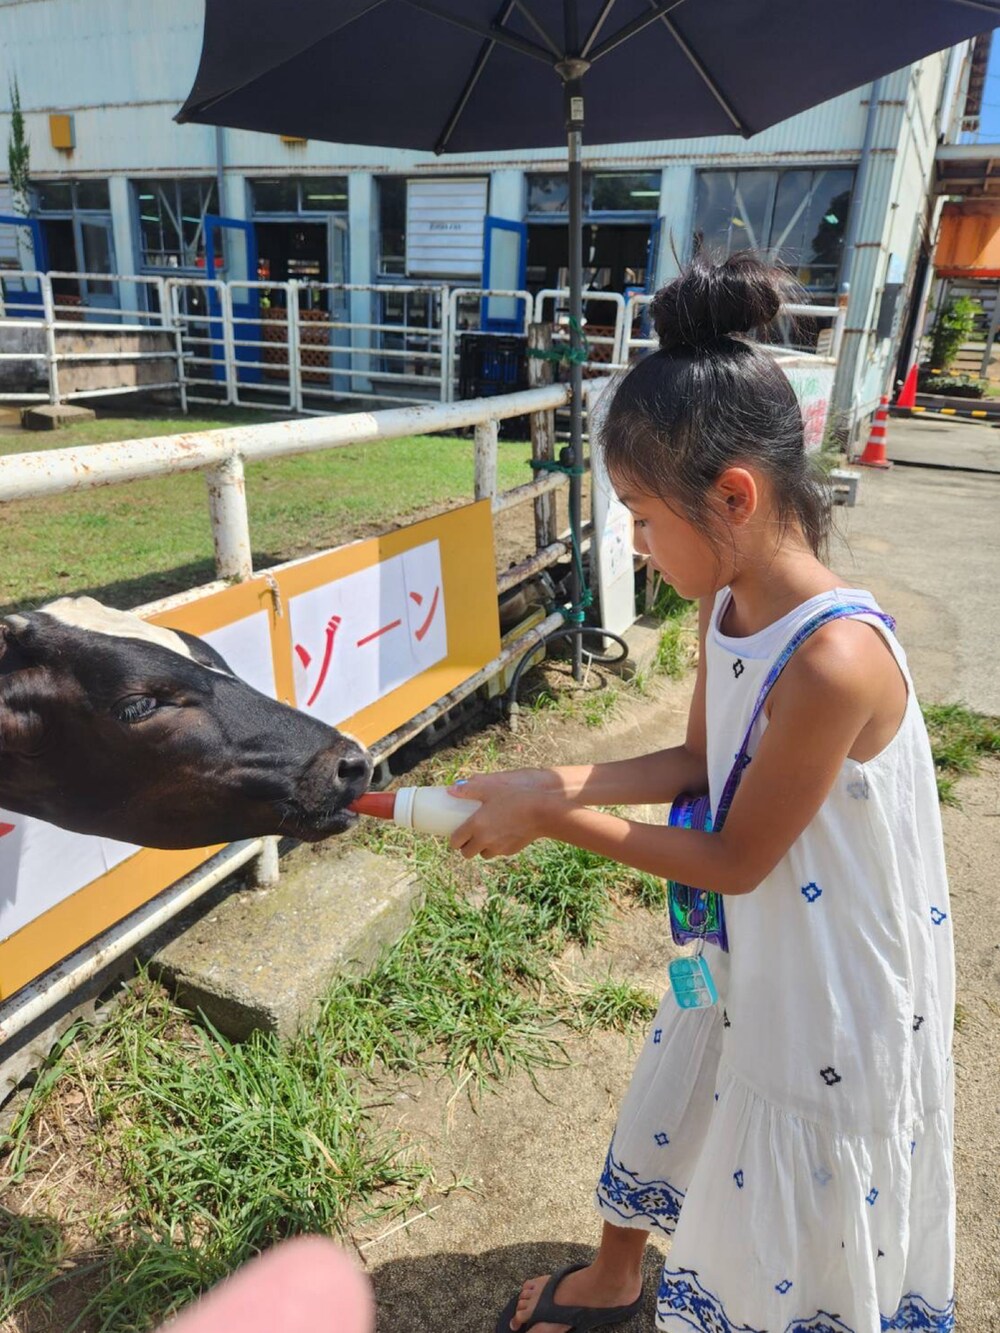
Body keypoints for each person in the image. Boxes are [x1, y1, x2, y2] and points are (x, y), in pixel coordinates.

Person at [449, 253, 955, 1333]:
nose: (631, 539)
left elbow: (731, 853)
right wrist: (553, 777)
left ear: (732, 496)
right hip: (740, 943)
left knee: (787, 1197)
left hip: (826, 984)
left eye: (638, 513)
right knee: (686, 1066)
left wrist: (551, 817)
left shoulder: (833, 660)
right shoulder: (726, 605)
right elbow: (695, 764)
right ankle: (615, 1273)